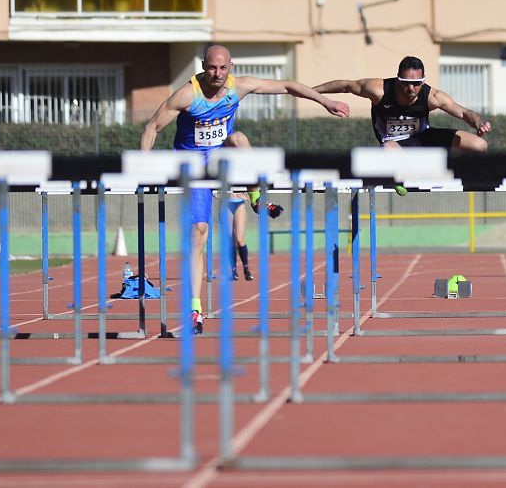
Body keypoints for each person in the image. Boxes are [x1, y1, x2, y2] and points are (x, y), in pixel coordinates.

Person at [140, 45, 350, 334]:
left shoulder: (239, 87)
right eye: (212, 68)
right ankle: (195, 310)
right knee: (198, 233)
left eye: (223, 68)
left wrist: (325, 102)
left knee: (238, 137)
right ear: (203, 66)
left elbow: (289, 85)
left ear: (231, 67)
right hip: (194, 166)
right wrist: (143, 166)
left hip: (224, 156)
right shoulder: (187, 95)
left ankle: (255, 197)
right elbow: (152, 127)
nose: (217, 74)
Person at [313, 56, 491, 195]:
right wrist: (311, 92)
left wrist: (479, 123)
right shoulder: (378, 90)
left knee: (479, 145)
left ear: (423, 81)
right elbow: (346, 86)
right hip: (394, 143)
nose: (411, 88)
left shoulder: (432, 96)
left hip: (423, 137)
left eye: (416, 83)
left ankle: (457, 173)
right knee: (390, 150)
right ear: (398, 80)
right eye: (406, 83)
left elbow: (463, 112)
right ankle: (399, 178)